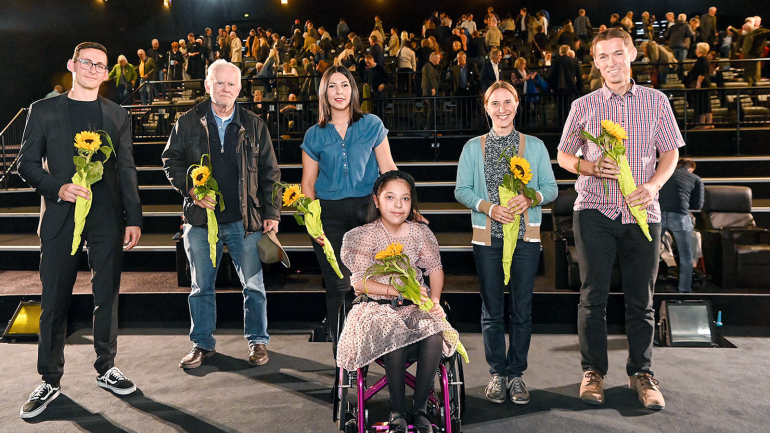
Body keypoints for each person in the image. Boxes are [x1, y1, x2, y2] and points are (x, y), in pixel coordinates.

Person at [556, 28, 684, 410]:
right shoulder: (583, 106)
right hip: (594, 210)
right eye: (603, 57)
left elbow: (671, 152)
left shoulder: (656, 101)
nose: (611, 62)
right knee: (592, 297)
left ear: (631, 54)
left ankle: (641, 373)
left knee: (640, 300)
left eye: (617, 53)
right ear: (595, 63)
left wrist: (656, 184)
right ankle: (593, 371)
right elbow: (564, 157)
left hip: (643, 212)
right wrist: (590, 167)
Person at [18, 42, 143, 419]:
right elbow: (25, 164)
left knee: (107, 295)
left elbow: (126, 170)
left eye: (100, 65)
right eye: (86, 62)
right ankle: (49, 378)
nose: (92, 69)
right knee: (54, 298)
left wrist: (134, 217)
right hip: (60, 215)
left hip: (107, 217)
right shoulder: (42, 111)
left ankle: (107, 367)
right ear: (72, 64)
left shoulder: (118, 114)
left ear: (107, 73)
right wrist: (56, 187)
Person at [161, 60, 281, 370]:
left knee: (254, 286)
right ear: (207, 85)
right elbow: (170, 161)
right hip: (200, 222)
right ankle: (202, 344)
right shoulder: (187, 122)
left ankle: (258, 341)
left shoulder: (255, 125)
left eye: (231, 84)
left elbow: (271, 173)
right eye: (219, 83)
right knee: (201, 286)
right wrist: (192, 190)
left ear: (240, 88)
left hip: (245, 221)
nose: (225, 88)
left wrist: (273, 213)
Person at [455, 80, 557, 405]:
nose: (502, 109)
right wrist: (488, 207)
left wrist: (531, 197)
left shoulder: (535, 146)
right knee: (492, 311)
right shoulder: (473, 147)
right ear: (486, 108)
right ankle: (497, 373)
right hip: (488, 241)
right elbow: (462, 190)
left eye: (507, 102)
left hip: (526, 240)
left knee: (522, 310)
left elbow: (550, 188)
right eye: (495, 103)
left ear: (517, 105)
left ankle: (517, 375)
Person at [337, 170, 458, 433]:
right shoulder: (361, 235)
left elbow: (435, 269)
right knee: (393, 329)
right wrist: (397, 290)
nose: (398, 205)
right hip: (374, 306)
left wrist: (435, 299)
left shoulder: (419, 233)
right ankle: (397, 411)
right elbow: (358, 283)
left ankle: (421, 410)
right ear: (377, 200)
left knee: (434, 331)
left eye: (405, 199)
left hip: (415, 305)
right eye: (390, 197)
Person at [299, 66, 398, 355]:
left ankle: (377, 352)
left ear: (353, 90)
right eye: (332, 86)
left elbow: (388, 169)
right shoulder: (314, 135)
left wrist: (404, 207)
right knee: (339, 286)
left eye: (344, 85)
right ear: (324, 92)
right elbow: (307, 183)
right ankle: (343, 363)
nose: (339, 91)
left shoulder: (371, 125)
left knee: (373, 283)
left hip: (366, 212)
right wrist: (313, 222)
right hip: (328, 215)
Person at [658, 158, 704, 293]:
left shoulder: (662, 173)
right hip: (679, 215)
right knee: (686, 255)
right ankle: (684, 289)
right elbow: (697, 205)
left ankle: (647, 288)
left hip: (657, 214)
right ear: (690, 169)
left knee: (650, 253)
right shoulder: (695, 178)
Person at [687, 42, 713, 128]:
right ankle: (703, 123)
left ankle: (709, 123)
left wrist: (698, 83)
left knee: (704, 102)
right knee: (703, 103)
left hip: (702, 83)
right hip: (705, 82)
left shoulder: (702, 60)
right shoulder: (704, 59)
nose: (695, 50)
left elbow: (701, 73)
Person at [421, 52, 441, 130]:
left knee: (432, 110)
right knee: (431, 109)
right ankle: (428, 128)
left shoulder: (431, 67)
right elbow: (428, 78)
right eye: (438, 58)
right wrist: (432, 88)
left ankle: (430, 127)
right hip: (429, 92)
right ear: (434, 58)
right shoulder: (427, 67)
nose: (439, 60)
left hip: (431, 92)